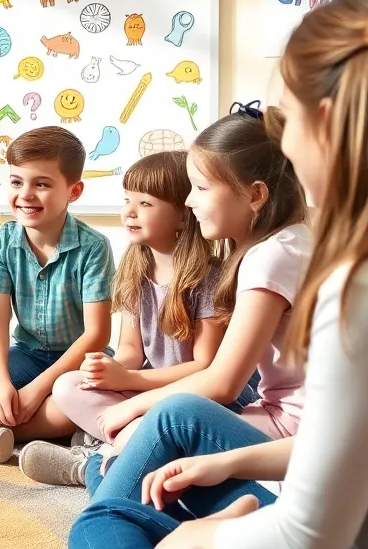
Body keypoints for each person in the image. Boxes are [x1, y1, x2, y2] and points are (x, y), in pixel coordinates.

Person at [72, 0, 368, 549]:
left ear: (325, 125)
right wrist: (231, 467)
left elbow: (308, 542)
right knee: (151, 487)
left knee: (115, 547)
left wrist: (203, 541)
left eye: (288, 123)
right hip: (345, 516)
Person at [78, 108, 310, 507]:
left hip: (294, 432)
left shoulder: (271, 257)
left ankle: (102, 498)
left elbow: (222, 383)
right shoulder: (288, 242)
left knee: (164, 430)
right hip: (279, 417)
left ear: (255, 195)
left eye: (201, 188)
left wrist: (136, 409)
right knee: (138, 456)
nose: (189, 200)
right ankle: (103, 475)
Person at [22, 151, 225, 486]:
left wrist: (128, 381)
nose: (129, 211)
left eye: (146, 204)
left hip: (190, 398)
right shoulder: (135, 270)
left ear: (182, 216)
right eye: (128, 199)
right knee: (67, 385)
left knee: (160, 421)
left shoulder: (207, 279)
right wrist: (106, 371)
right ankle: (124, 445)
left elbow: (205, 367)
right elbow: (130, 350)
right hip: (144, 391)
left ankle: (97, 460)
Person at [0, 126, 116, 463]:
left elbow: (96, 334)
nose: (26, 194)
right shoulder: (3, 240)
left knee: (93, 403)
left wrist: (37, 390)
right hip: (26, 352)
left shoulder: (93, 247)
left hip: (78, 357)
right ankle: (47, 428)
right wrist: (3, 382)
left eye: (42, 184)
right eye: (17, 182)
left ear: (74, 191)